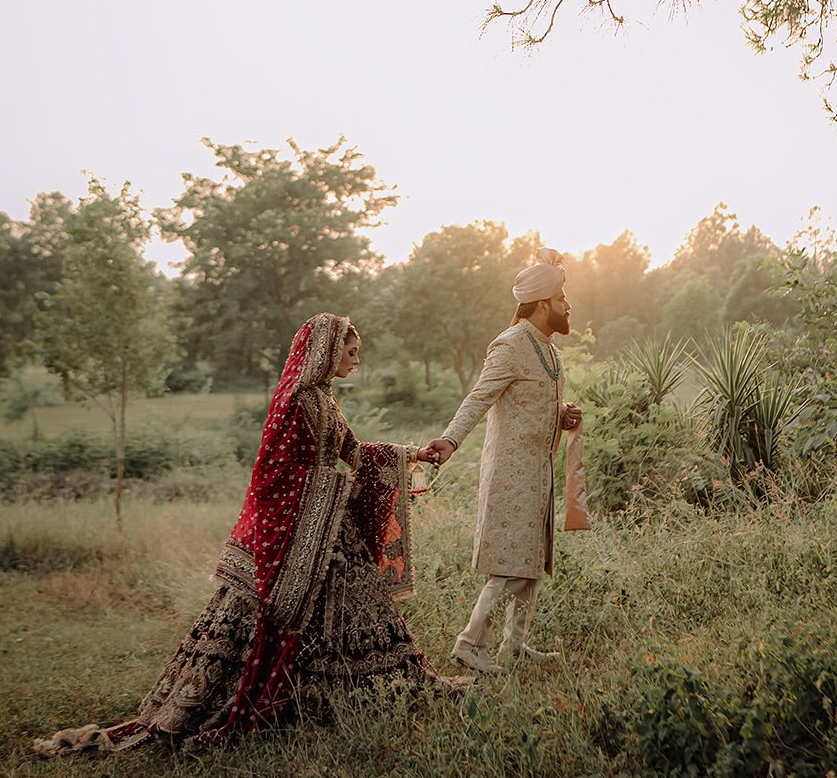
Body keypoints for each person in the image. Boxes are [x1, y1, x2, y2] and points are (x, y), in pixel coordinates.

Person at [35, 313, 462, 756]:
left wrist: (413, 454)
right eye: (351, 353)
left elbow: (353, 452)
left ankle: (353, 692)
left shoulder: (325, 400)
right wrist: (325, 488)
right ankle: (288, 699)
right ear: (327, 354)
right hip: (299, 526)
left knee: (362, 607)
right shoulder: (296, 400)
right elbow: (272, 472)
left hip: (328, 525)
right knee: (270, 616)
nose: (357, 361)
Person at [423, 248, 583, 675]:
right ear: (543, 304)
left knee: (532, 561)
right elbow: (480, 397)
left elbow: (530, 402)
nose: (568, 305)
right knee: (511, 564)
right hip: (511, 474)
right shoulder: (510, 344)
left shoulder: (549, 350)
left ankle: (514, 645)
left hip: (539, 472)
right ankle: (470, 643)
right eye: (562, 298)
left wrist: (561, 414)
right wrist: (450, 440)